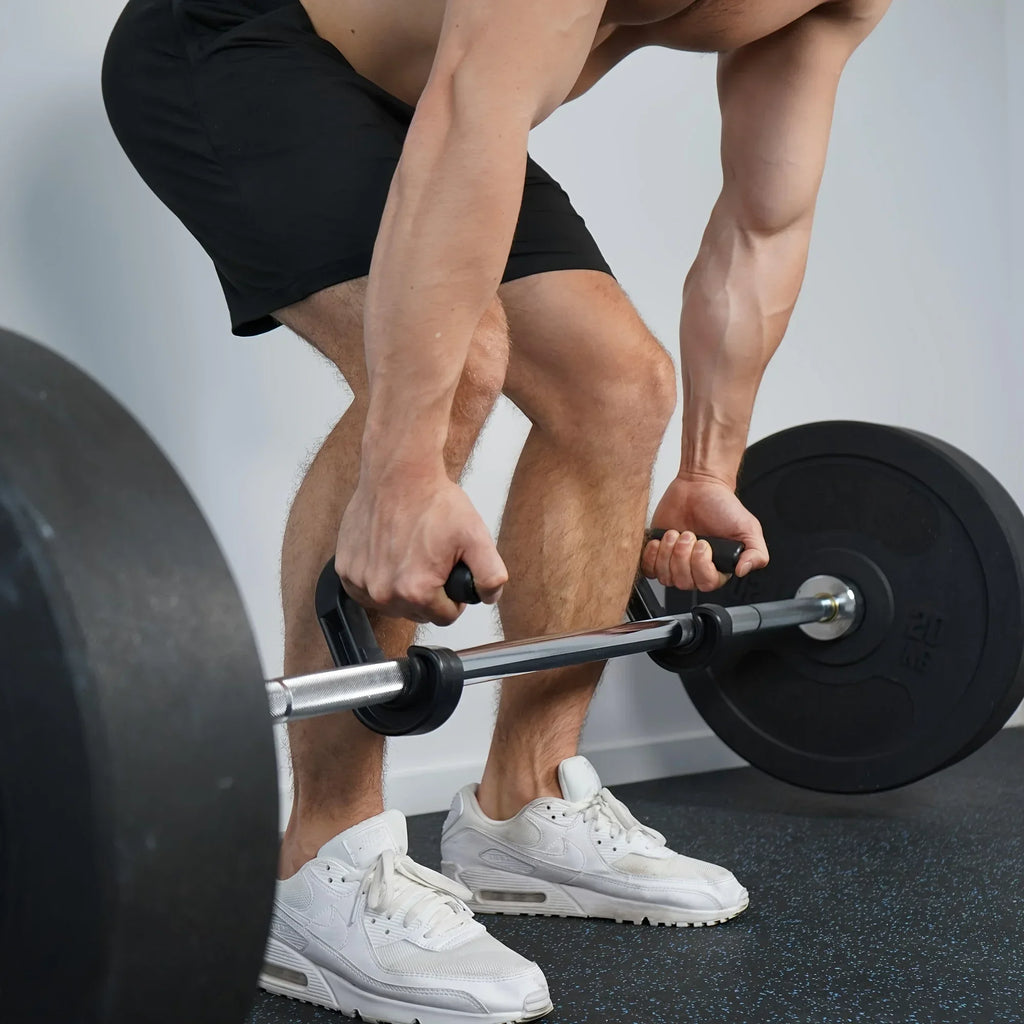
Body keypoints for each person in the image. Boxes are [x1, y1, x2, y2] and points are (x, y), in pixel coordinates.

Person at [102, 0, 891, 1019]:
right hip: (233, 46)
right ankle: (322, 863)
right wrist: (400, 469)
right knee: (455, 360)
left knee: (618, 386)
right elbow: (475, 119)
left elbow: (763, 218)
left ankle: (526, 798)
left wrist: (708, 465)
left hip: (425, 100)